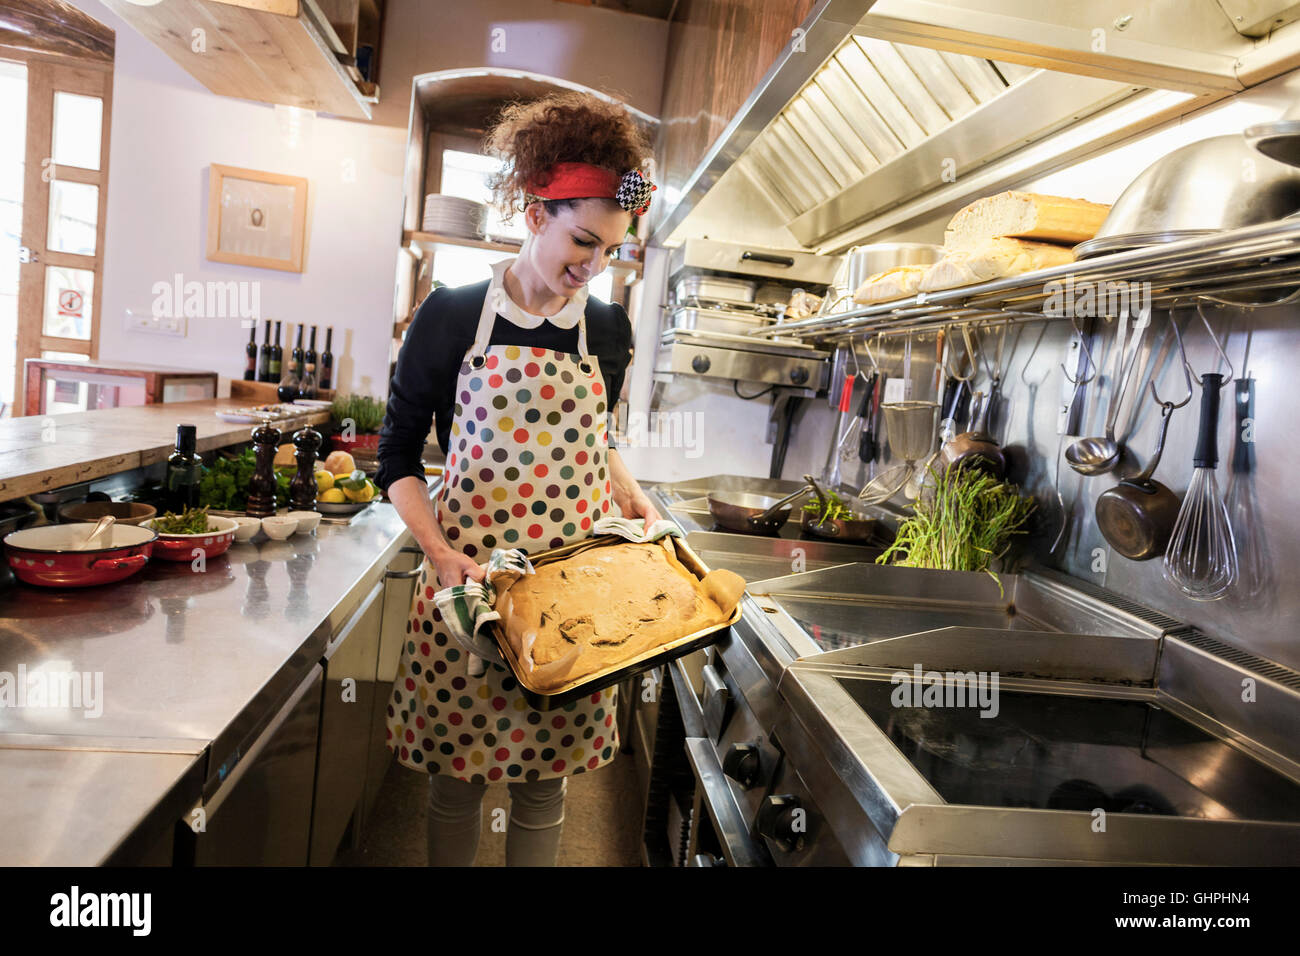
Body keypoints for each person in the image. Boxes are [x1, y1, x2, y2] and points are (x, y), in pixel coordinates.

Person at [376, 91, 661, 866]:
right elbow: (396, 457)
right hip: (468, 590)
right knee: (455, 780)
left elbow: (592, 439)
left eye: (609, 250)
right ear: (536, 215)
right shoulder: (450, 316)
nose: (592, 265)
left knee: (546, 785)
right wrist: (439, 554)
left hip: (568, 594)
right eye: (580, 240)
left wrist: (631, 495)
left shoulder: (606, 328)